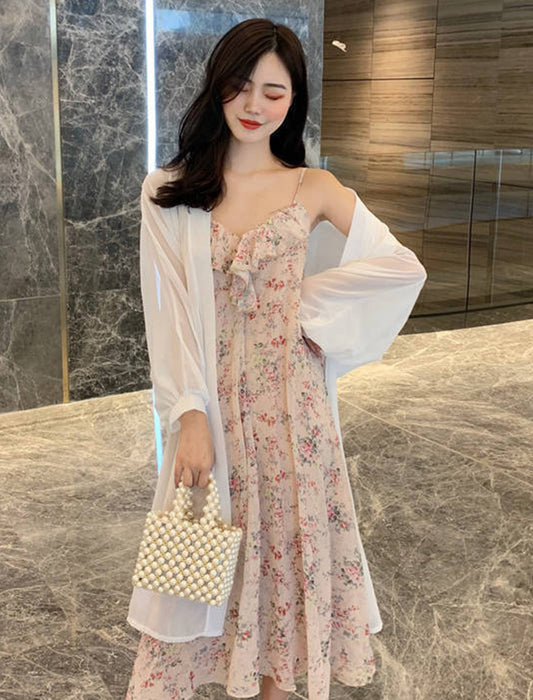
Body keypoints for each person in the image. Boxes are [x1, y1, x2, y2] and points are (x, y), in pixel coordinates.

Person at [125, 17, 427, 700]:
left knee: (286, 563)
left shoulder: (311, 187)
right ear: (217, 87)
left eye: (274, 92)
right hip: (213, 413)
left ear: (294, 101)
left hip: (296, 416)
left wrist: (304, 305)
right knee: (202, 559)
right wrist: (188, 414)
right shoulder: (169, 190)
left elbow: (401, 267)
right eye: (240, 85)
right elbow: (167, 316)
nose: (254, 105)